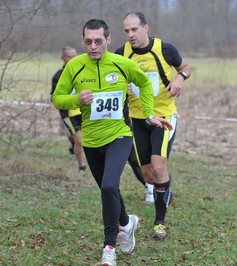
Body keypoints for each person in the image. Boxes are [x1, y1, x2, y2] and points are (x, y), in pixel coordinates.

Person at [52, 19, 172, 266]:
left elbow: (144, 85)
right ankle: (127, 223)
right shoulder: (74, 66)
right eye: (88, 41)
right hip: (92, 141)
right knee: (110, 190)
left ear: (107, 40)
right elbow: (57, 99)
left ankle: (109, 249)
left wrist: (149, 114)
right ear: (83, 41)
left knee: (108, 187)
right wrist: (76, 99)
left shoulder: (122, 64)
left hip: (120, 134)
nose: (93, 46)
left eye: (98, 41)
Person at [115, 12, 192, 239]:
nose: (130, 35)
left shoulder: (165, 49)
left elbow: (186, 67)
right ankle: (165, 186)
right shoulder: (121, 54)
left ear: (145, 28)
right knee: (149, 175)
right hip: (138, 120)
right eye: (127, 31)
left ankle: (159, 223)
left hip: (164, 117)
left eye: (134, 30)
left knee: (159, 168)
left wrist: (180, 78)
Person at [51, 46, 86, 172]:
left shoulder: (83, 71)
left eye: (74, 56)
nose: (72, 59)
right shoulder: (58, 75)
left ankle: (73, 141)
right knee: (79, 140)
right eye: (68, 57)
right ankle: (81, 166)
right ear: (62, 58)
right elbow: (54, 97)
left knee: (85, 139)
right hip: (68, 113)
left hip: (83, 110)